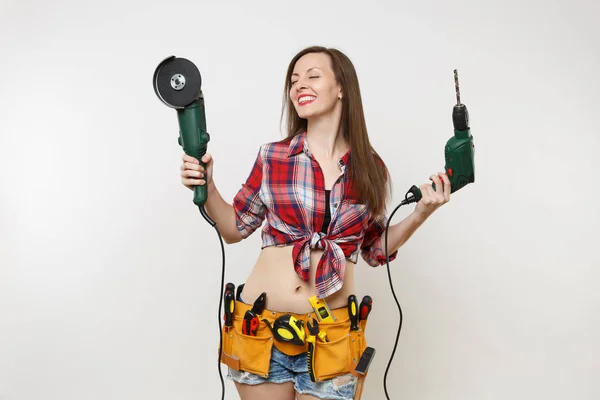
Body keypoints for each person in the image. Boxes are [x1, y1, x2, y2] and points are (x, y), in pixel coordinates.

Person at [179, 46, 451, 400]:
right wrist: (208, 185)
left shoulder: (370, 168)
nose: (299, 86)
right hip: (260, 329)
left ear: (341, 88)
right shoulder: (273, 156)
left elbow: (373, 250)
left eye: (312, 75)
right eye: (293, 80)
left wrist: (421, 213)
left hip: (332, 337)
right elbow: (233, 228)